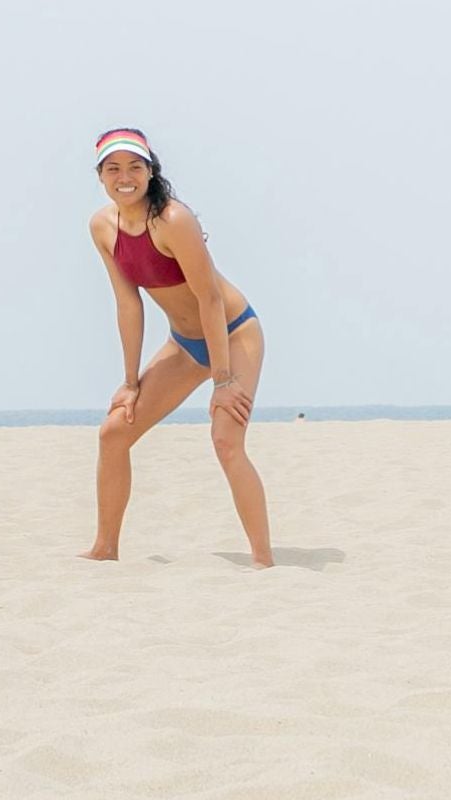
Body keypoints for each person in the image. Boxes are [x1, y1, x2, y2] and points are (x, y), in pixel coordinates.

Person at [80, 128, 274, 569]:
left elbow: (210, 299)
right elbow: (128, 304)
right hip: (185, 345)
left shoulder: (173, 219)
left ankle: (264, 561)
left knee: (226, 441)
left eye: (135, 167)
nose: (124, 177)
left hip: (234, 334)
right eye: (113, 169)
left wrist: (223, 381)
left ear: (150, 171)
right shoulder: (102, 227)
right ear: (100, 176)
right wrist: (130, 382)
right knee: (113, 433)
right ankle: (105, 548)